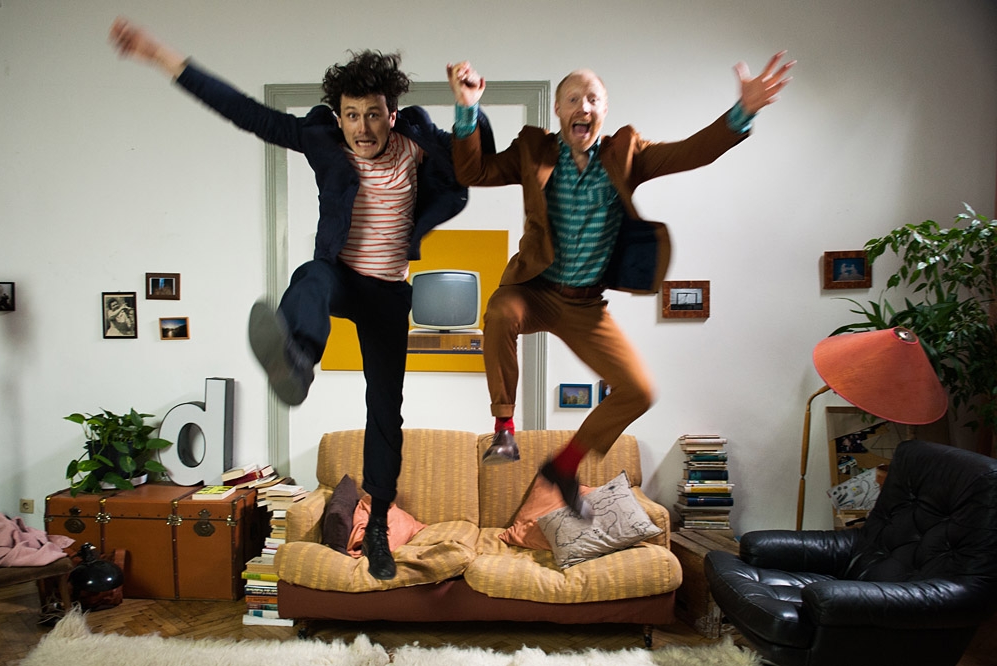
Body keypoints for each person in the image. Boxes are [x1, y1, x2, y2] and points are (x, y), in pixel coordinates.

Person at [109, 17, 493, 580]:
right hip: (341, 275)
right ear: (339, 116)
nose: (363, 128)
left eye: (373, 114)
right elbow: (246, 112)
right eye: (351, 115)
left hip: (388, 294)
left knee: (385, 412)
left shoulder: (417, 143)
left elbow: (469, 164)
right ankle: (297, 361)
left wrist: (467, 107)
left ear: (392, 113)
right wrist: (162, 57)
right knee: (310, 276)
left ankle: (378, 527)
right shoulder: (323, 140)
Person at [448, 54, 793, 515]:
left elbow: (691, 151)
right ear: (558, 109)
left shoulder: (626, 154)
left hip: (585, 305)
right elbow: (471, 172)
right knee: (498, 311)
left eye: (593, 99)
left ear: (604, 110)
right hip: (534, 290)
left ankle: (563, 467)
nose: (583, 107)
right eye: (573, 99)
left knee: (639, 391)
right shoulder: (533, 150)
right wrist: (467, 108)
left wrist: (742, 112)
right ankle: (504, 428)